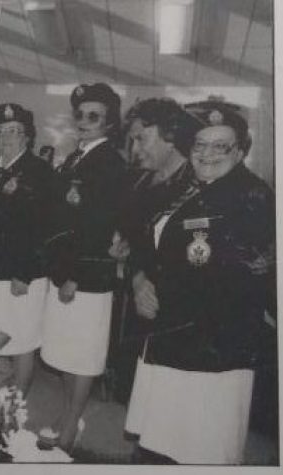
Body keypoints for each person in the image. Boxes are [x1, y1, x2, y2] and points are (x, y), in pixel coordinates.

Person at [124, 101, 277, 464]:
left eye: (220, 146)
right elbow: (145, 244)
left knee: (203, 450)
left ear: (240, 151)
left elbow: (248, 281)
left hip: (214, 354)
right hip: (169, 339)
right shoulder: (185, 189)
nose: (207, 154)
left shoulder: (251, 196)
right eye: (200, 145)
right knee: (162, 445)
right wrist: (139, 279)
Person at [39, 83, 128, 452]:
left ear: (109, 123)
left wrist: (76, 275)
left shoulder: (109, 161)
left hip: (85, 278)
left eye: (94, 116)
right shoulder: (78, 156)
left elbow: (98, 225)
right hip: (65, 271)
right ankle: (66, 413)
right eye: (80, 114)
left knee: (82, 355)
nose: (84, 121)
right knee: (64, 351)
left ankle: (72, 423)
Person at [107, 97, 200, 403]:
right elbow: (132, 237)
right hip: (137, 299)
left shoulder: (197, 186)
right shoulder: (139, 182)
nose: (134, 149)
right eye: (132, 140)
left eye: (141, 139)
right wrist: (129, 261)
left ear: (170, 136)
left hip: (173, 310)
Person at [0, 103, 52, 395]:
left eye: (14, 131)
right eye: (1, 132)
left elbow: (43, 228)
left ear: (27, 136)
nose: (6, 138)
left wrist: (25, 274)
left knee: (21, 342)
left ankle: (17, 403)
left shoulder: (39, 171)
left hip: (20, 275)